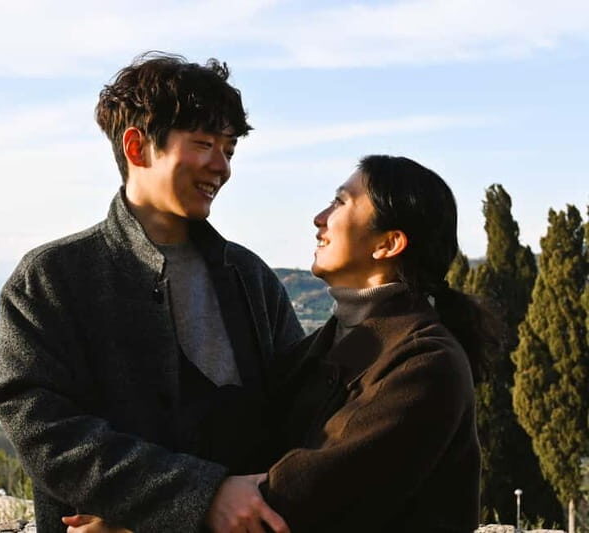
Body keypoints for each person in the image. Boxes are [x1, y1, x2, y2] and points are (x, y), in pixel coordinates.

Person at [0, 52, 304, 533]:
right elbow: (44, 431)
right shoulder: (50, 278)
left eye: (230, 150)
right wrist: (198, 497)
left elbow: (300, 416)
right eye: (204, 143)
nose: (221, 167)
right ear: (137, 147)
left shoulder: (251, 278)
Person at [207, 154, 497, 532]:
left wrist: (200, 497)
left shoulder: (425, 363)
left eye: (340, 202)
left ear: (388, 243)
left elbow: (305, 495)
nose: (319, 218)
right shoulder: (321, 349)